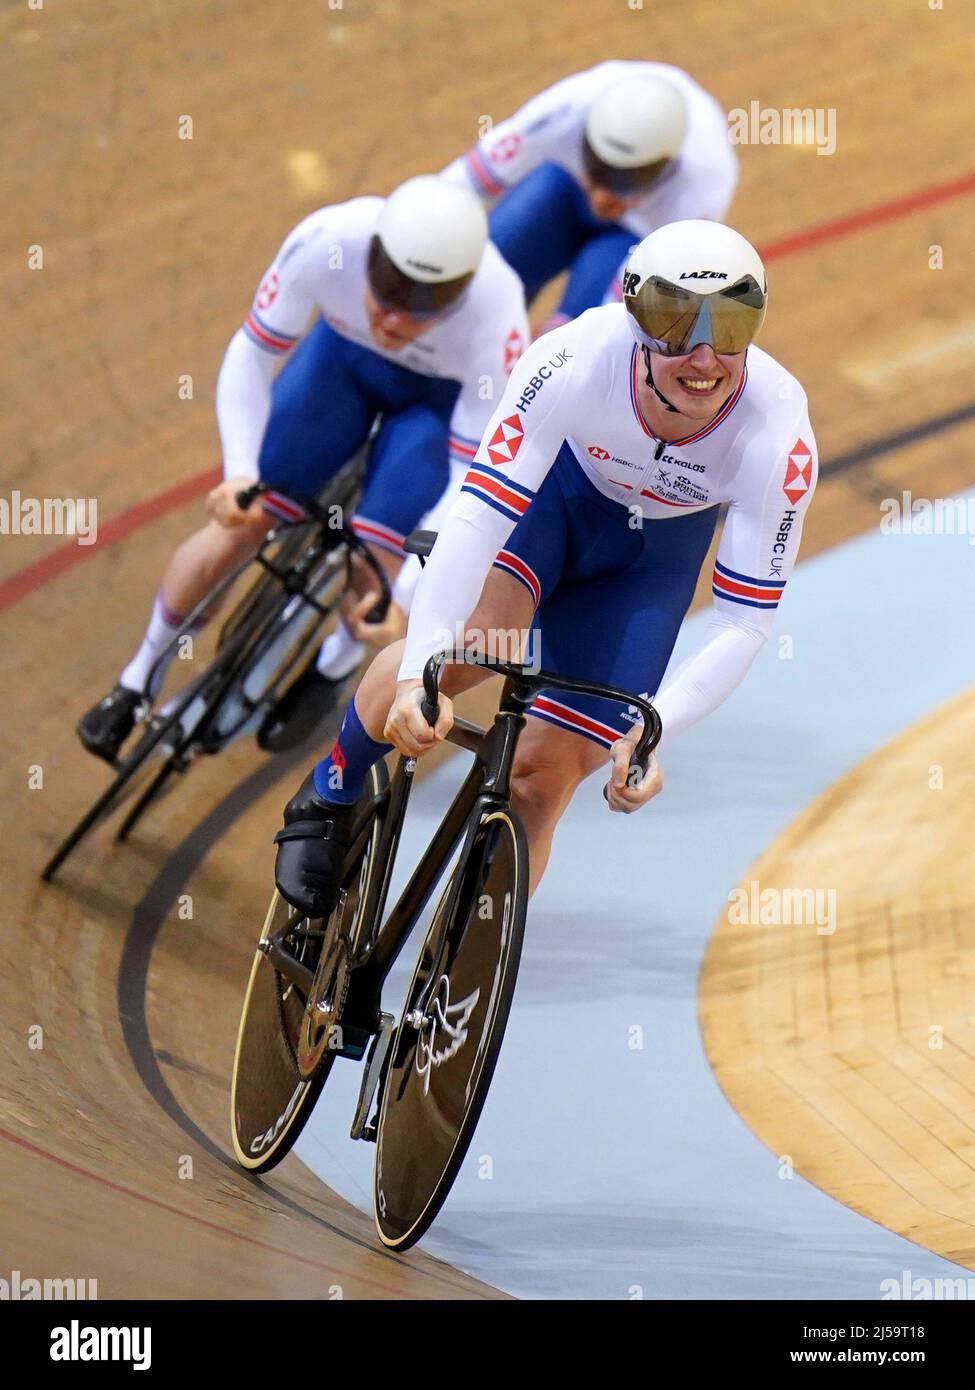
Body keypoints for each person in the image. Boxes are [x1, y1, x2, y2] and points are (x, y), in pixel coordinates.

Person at [271, 219, 818, 928]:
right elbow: (477, 517)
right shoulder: (571, 358)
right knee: (469, 653)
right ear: (633, 315)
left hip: (646, 565)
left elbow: (744, 623)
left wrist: (656, 731)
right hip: (553, 505)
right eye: (675, 323)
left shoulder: (779, 432)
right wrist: (417, 678)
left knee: (539, 780)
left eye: (732, 323)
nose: (704, 355)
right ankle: (330, 792)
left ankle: (462, 981)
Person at [77, 176, 529, 760]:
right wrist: (239, 473)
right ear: (370, 258)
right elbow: (253, 352)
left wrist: (405, 593)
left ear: (458, 296)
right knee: (239, 525)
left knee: (381, 561)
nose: (392, 320)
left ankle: (336, 660)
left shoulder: (498, 316)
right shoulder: (327, 239)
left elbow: (469, 474)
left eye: (419, 309)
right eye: (385, 292)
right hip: (339, 368)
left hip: (431, 409)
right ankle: (137, 681)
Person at [442, 60, 737, 330]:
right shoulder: (570, 108)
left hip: (636, 234)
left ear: (665, 169)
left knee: (573, 339)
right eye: (597, 170)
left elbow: (634, 301)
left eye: (624, 183)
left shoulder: (704, 181)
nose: (600, 198)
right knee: (481, 286)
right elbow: (459, 186)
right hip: (566, 187)